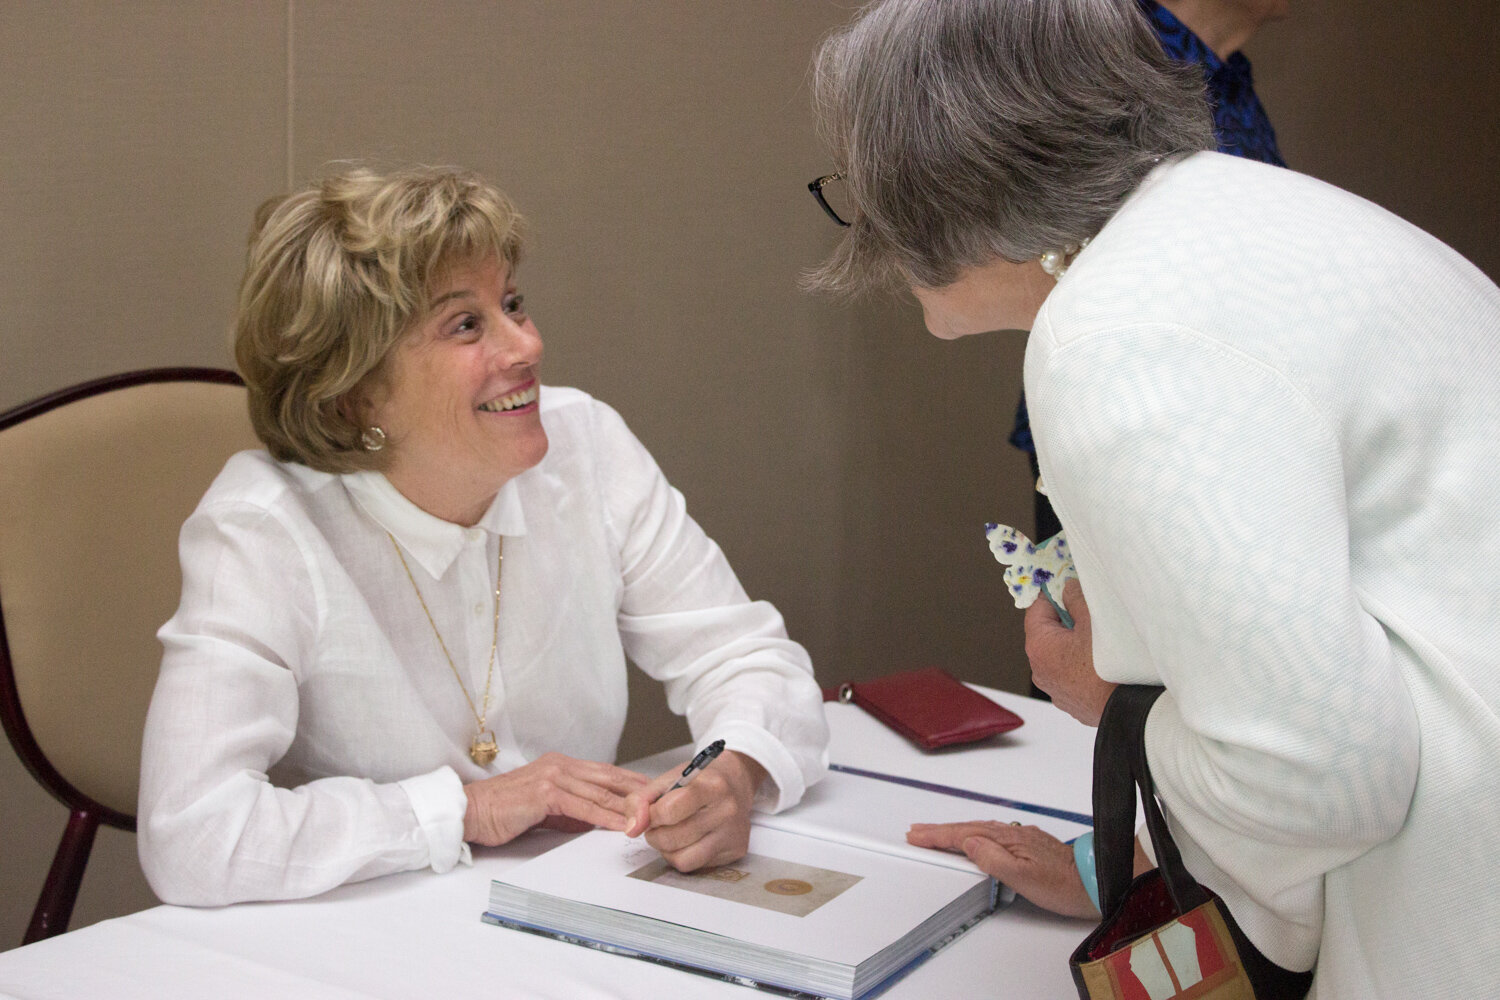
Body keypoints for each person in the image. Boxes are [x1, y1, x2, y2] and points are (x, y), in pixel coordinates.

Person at [802, 1, 1500, 996]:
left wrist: (1118, 705)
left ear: (945, 178)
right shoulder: (1234, 214)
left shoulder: (1110, 333)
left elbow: (1326, 777)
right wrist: (1117, 860)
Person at [138, 166, 829, 906]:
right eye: (466, 324)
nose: (526, 344)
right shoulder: (265, 525)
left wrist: (735, 770)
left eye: (513, 304)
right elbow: (192, 835)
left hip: (581, 903)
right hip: (369, 931)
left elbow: (745, 657)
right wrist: (467, 810)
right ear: (350, 396)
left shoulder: (586, 445)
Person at [1014, 0, 1288, 553]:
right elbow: (1050, 253)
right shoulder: (1097, 63)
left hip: (1242, 430)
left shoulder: (1225, 73)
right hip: (1144, 437)